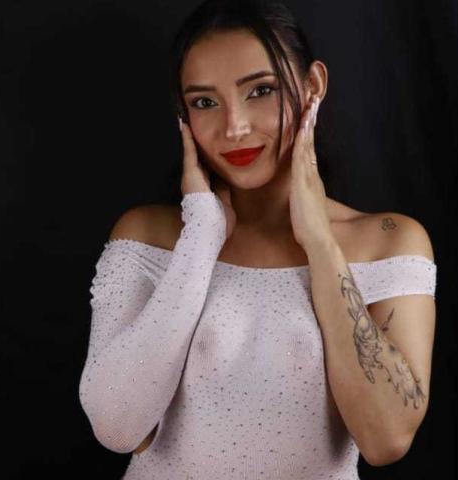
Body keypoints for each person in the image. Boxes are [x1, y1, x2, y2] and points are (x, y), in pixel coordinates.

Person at [78, 0, 437, 478]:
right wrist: (200, 238)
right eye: (205, 102)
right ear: (183, 114)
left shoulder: (389, 243)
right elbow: (118, 427)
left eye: (261, 91)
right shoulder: (148, 237)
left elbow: (386, 439)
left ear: (312, 86)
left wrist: (320, 242)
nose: (234, 127)